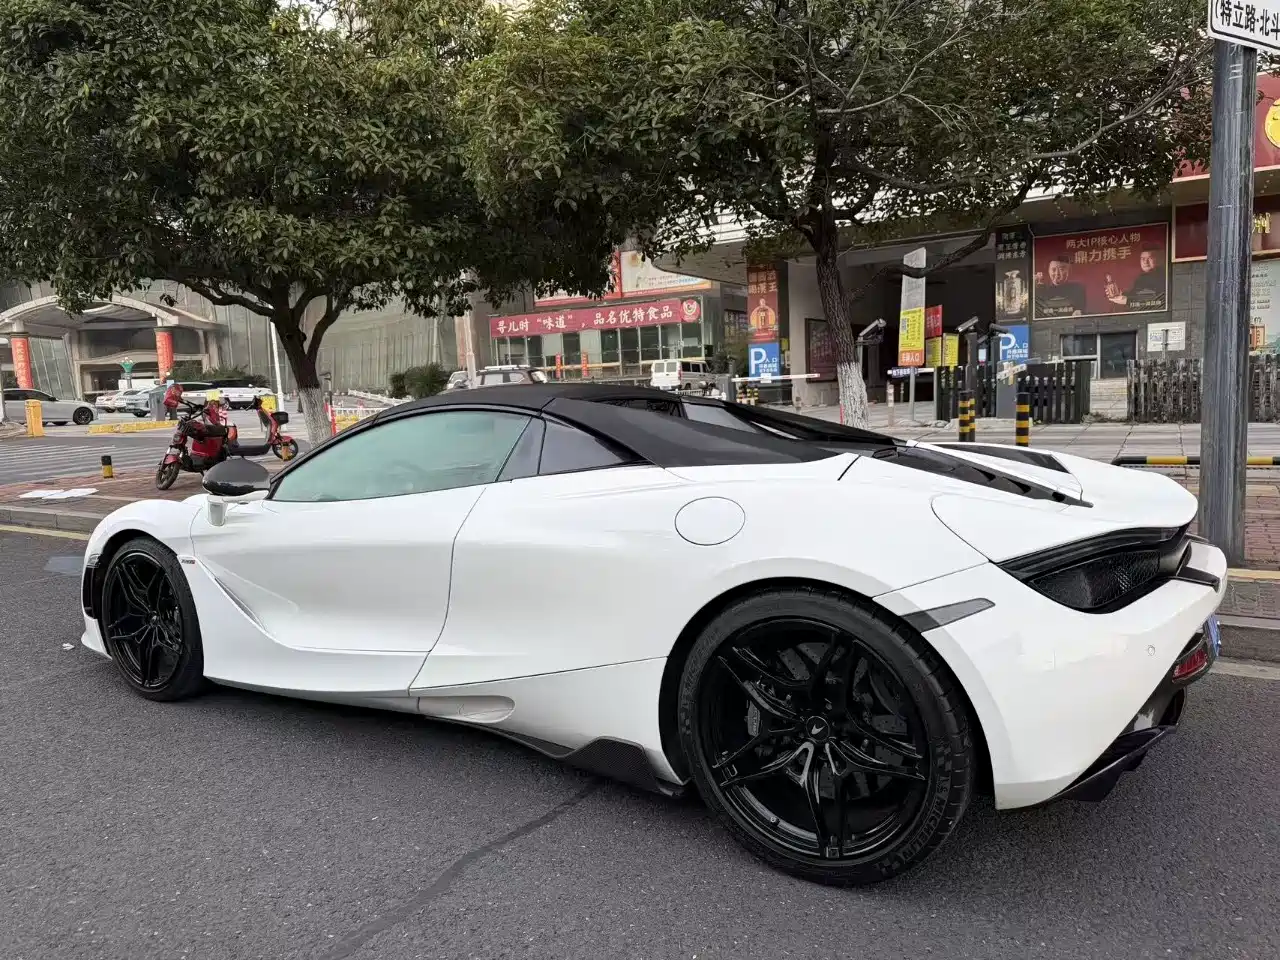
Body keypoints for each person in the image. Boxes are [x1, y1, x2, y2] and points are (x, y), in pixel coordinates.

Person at [1105, 245, 1166, 311]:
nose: (1145, 262)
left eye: (1150, 258)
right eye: (1143, 259)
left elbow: (1155, 299)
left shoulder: (1162, 276)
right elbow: (1135, 295)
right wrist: (1120, 294)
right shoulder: (1142, 278)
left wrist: (1127, 300)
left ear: (1158, 259)